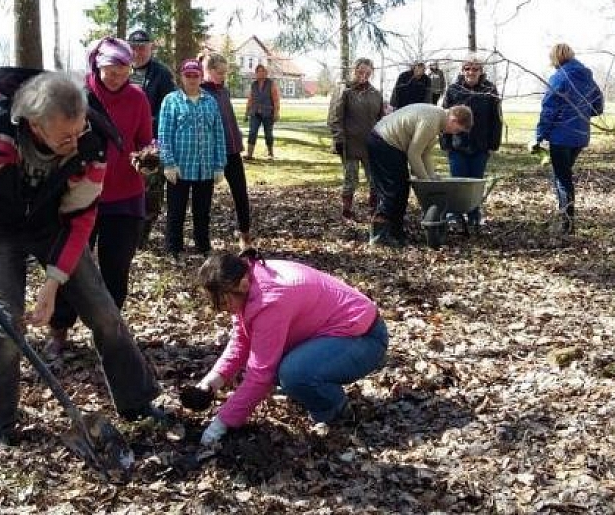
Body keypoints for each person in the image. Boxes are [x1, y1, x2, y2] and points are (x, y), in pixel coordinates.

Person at [0, 69, 161, 448]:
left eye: (79, 129)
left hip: (54, 225)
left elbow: (81, 218)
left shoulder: (92, 144)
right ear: (34, 125)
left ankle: (137, 402)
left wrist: (52, 283)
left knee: (104, 312)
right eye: (65, 135)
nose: (75, 140)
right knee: (7, 322)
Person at [195, 249, 389, 445]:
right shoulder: (249, 280)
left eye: (224, 302)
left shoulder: (269, 299)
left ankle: (335, 408)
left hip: (366, 338)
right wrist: (212, 382)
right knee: (283, 367)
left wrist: (221, 423)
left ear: (242, 285)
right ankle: (310, 390)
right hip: (333, 333)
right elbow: (242, 340)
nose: (223, 309)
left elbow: (260, 374)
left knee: (292, 373)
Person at [46, 36, 153, 358]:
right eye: (111, 70)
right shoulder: (78, 94)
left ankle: (109, 332)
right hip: (80, 193)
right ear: (96, 64)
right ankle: (59, 330)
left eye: (124, 70)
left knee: (116, 268)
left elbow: (146, 141)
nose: (118, 76)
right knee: (70, 264)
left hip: (125, 196)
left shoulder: (138, 98)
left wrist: (148, 157)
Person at [367, 103, 473, 247]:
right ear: (453, 120)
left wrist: (432, 177)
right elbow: (414, 154)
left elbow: (425, 153)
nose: (454, 133)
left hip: (393, 146)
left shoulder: (438, 123)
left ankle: (395, 231)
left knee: (403, 189)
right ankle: (380, 235)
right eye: (456, 130)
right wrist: (426, 182)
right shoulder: (431, 121)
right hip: (383, 141)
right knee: (392, 190)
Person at [158, 59, 227, 257]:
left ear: (201, 77)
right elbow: (164, 135)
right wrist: (168, 163)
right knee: (176, 211)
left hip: (205, 167)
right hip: (179, 167)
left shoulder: (210, 101)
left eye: (195, 75)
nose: (191, 79)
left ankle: (203, 246)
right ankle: (174, 248)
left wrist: (219, 164)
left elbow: (218, 134)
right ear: (182, 77)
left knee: (203, 212)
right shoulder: (171, 101)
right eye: (188, 75)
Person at [533, 43, 604, 234]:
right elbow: (599, 104)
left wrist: (539, 136)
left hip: (561, 136)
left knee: (562, 178)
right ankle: (566, 217)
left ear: (555, 58)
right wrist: (583, 114)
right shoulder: (587, 76)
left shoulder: (559, 77)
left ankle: (567, 222)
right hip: (580, 136)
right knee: (564, 175)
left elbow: (549, 109)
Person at [127, 28, 177, 249]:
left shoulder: (161, 74)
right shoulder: (121, 69)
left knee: (151, 191)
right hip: (124, 141)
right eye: (134, 48)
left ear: (151, 48)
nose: (138, 52)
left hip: (152, 142)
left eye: (143, 48)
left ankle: (142, 236)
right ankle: (128, 229)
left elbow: (169, 108)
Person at [441, 56, 503, 229]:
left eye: (475, 69)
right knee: (458, 182)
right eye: (467, 68)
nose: (471, 72)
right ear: (462, 70)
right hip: (457, 145)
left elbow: (496, 119)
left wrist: (493, 145)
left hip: (481, 145)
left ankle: (474, 214)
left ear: (481, 71)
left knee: (476, 182)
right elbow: (444, 118)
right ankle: (454, 215)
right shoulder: (454, 90)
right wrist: (445, 143)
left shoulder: (489, 90)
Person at [201, 53, 252, 250]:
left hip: (232, 151)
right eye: (219, 72)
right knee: (205, 196)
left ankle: (245, 234)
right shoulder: (202, 93)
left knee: (240, 192)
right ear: (208, 71)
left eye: (225, 73)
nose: (223, 76)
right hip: (212, 153)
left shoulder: (224, 91)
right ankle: (203, 239)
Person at [327, 58, 385, 221]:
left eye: (367, 72)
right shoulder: (345, 90)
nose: (363, 75)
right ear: (355, 70)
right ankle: (347, 210)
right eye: (361, 72)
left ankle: (375, 209)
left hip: (371, 144)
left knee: (374, 179)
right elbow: (334, 117)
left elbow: (381, 119)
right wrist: (338, 139)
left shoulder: (375, 94)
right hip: (349, 144)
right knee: (350, 178)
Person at [244, 64, 281, 161]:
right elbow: (250, 99)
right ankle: (249, 154)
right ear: (256, 73)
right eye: (258, 71)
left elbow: (276, 99)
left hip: (268, 112)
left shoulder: (271, 84)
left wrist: (276, 112)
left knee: (268, 133)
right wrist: (246, 112)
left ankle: (270, 153)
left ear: (266, 73)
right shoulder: (254, 84)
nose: (260, 73)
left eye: (262, 71)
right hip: (255, 112)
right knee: (252, 132)